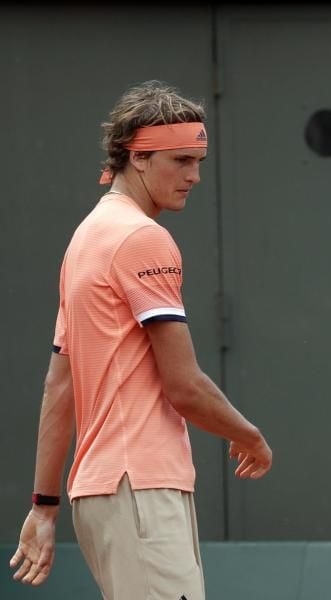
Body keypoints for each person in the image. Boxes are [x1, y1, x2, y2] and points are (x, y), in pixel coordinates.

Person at [9, 81, 273, 599]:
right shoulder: (143, 238)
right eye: (181, 161)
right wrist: (250, 436)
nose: (195, 176)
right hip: (139, 488)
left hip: (103, 493)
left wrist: (44, 504)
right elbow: (184, 386)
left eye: (199, 161)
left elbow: (58, 386)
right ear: (139, 157)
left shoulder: (86, 238)